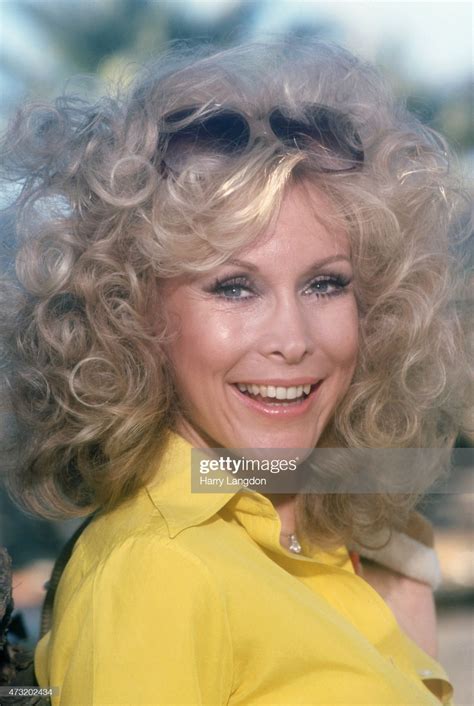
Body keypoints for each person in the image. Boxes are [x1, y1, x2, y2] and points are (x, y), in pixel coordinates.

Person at [0, 40, 470, 706]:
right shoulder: (159, 571)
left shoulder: (328, 537)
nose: (292, 340)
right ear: (132, 311)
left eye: (326, 284)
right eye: (234, 288)